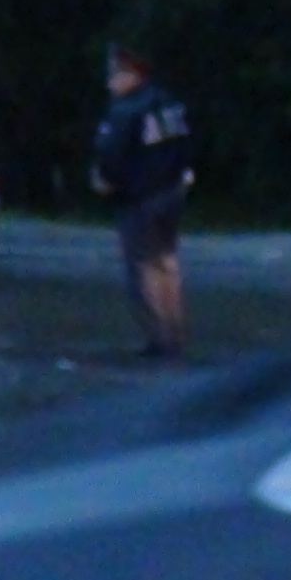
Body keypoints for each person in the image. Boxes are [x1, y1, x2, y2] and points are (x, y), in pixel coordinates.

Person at [91, 47, 192, 357]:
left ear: (131, 75)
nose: (110, 82)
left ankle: (159, 337)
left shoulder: (124, 111)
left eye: (115, 75)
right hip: (171, 192)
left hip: (140, 198)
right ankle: (175, 329)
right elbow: (186, 143)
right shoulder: (169, 103)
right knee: (167, 260)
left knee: (144, 265)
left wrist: (105, 181)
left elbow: (112, 156)